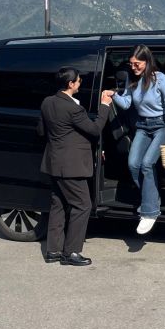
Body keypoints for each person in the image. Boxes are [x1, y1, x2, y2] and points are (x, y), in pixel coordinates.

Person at [38, 67, 114, 266]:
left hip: (53, 161)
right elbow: (95, 129)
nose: (80, 83)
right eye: (79, 81)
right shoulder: (73, 108)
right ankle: (71, 252)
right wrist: (104, 105)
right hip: (71, 165)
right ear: (70, 84)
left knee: (58, 204)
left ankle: (53, 250)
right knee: (83, 205)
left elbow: (41, 130)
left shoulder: (47, 102)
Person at [112, 45, 165, 235]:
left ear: (147, 61)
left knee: (146, 164)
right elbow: (127, 104)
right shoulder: (131, 79)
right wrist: (112, 95)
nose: (134, 67)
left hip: (161, 125)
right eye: (131, 64)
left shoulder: (160, 79)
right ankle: (151, 199)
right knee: (133, 164)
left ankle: (150, 211)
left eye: (138, 64)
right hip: (142, 126)